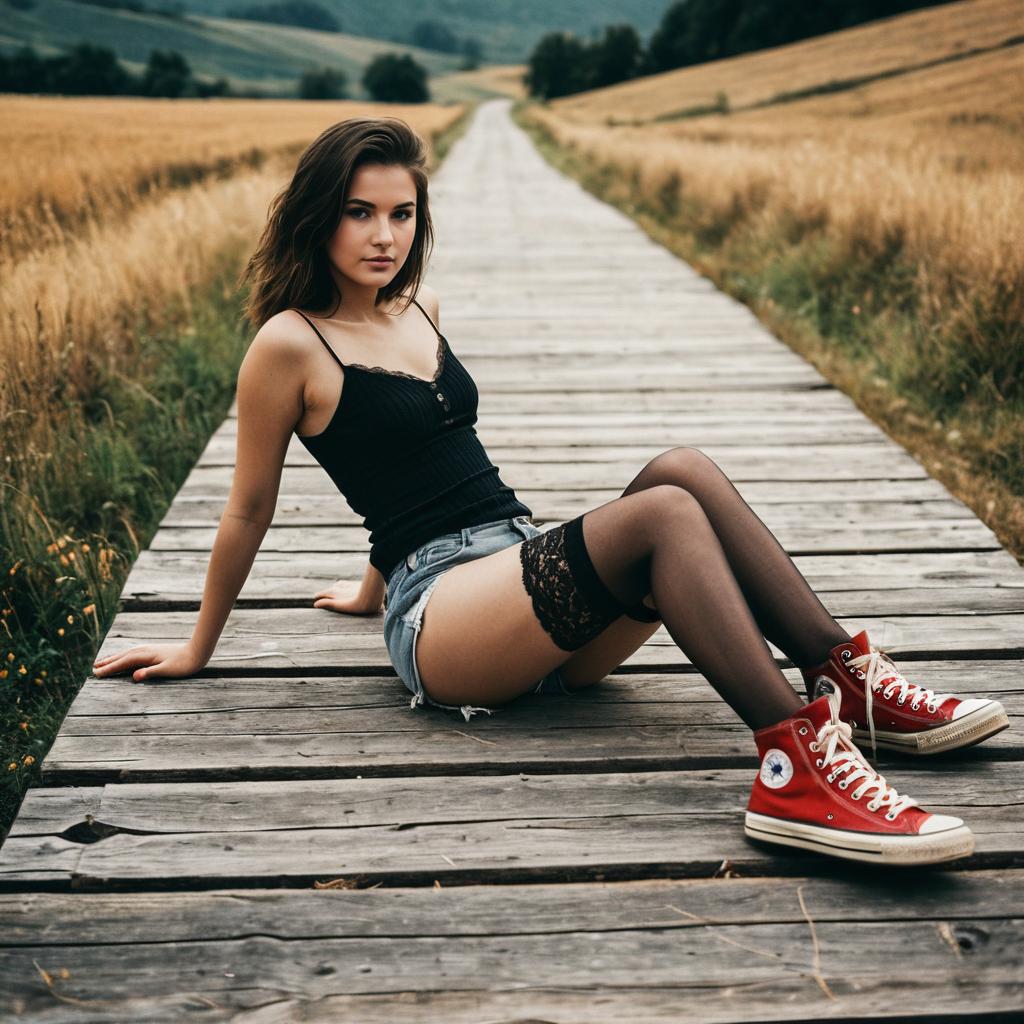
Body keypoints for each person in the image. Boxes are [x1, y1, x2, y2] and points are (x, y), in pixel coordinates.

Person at [92, 116, 1008, 867]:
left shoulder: (420, 307)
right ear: (317, 218)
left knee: (681, 470)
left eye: (402, 214)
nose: (383, 236)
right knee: (662, 516)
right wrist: (199, 646)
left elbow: (417, 458)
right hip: (446, 624)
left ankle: (846, 683)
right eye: (358, 213)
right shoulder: (288, 344)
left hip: (520, 582)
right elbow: (249, 508)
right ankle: (794, 768)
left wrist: (364, 584)